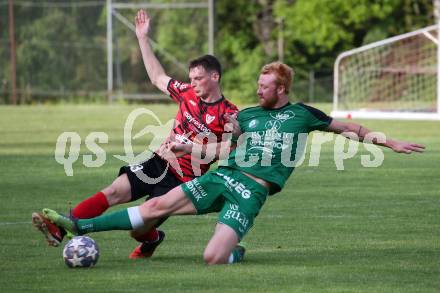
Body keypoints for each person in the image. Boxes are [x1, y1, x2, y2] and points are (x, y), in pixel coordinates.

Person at [42, 61, 425, 265]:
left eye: (265, 86)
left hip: (251, 192)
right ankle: (76, 223)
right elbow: (224, 152)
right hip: (222, 177)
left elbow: (349, 128)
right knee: (154, 206)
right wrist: (188, 149)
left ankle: (233, 253)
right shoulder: (246, 117)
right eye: (258, 85)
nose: (258, 90)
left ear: (282, 89)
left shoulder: (303, 115)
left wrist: (390, 142)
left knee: (213, 257)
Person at [32, 9, 238, 259]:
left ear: (215, 77)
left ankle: (151, 239)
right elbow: (157, 77)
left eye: (198, 78)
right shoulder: (187, 93)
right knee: (113, 191)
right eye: (191, 78)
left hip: (183, 182)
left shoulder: (229, 114)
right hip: (158, 163)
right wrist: (142, 38)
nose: (192, 82)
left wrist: (197, 148)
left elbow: (229, 151)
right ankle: (59, 230)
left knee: (138, 230)